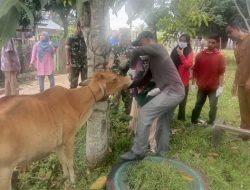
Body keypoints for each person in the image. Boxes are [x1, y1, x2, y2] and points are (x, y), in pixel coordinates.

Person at [121, 31, 185, 161]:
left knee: (145, 113)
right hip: (176, 92)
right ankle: (162, 153)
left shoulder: (158, 48)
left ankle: (138, 151)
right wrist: (128, 85)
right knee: (163, 122)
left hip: (172, 91)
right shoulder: (153, 59)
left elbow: (136, 52)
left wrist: (132, 68)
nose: (140, 46)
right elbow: (145, 80)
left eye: (141, 43)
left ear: (148, 39)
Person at [190, 34, 226, 126]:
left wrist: (220, 87)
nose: (210, 44)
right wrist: (193, 84)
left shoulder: (220, 56)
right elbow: (195, 71)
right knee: (198, 105)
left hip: (214, 88)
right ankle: (193, 121)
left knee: (213, 106)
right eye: (209, 42)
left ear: (216, 44)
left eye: (213, 43)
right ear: (207, 42)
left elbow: (221, 73)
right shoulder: (199, 55)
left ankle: (211, 122)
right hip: (202, 87)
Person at [226, 23, 250, 131]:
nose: (228, 35)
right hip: (241, 83)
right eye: (227, 33)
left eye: (230, 31)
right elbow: (238, 66)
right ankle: (245, 131)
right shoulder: (237, 47)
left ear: (237, 29)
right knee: (243, 109)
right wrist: (235, 84)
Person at [171, 34, 194, 121]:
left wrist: (181, 55)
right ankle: (169, 116)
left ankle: (181, 118)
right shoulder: (175, 50)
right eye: (180, 40)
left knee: (182, 101)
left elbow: (188, 64)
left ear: (188, 42)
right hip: (173, 80)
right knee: (172, 99)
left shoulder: (190, 52)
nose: (182, 42)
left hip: (183, 81)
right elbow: (170, 62)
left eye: (184, 41)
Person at [66, 21, 87, 89]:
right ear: (78, 27)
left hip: (84, 64)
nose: (83, 29)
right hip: (74, 64)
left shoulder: (86, 38)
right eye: (81, 27)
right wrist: (68, 63)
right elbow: (67, 51)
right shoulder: (71, 38)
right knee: (73, 84)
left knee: (85, 83)